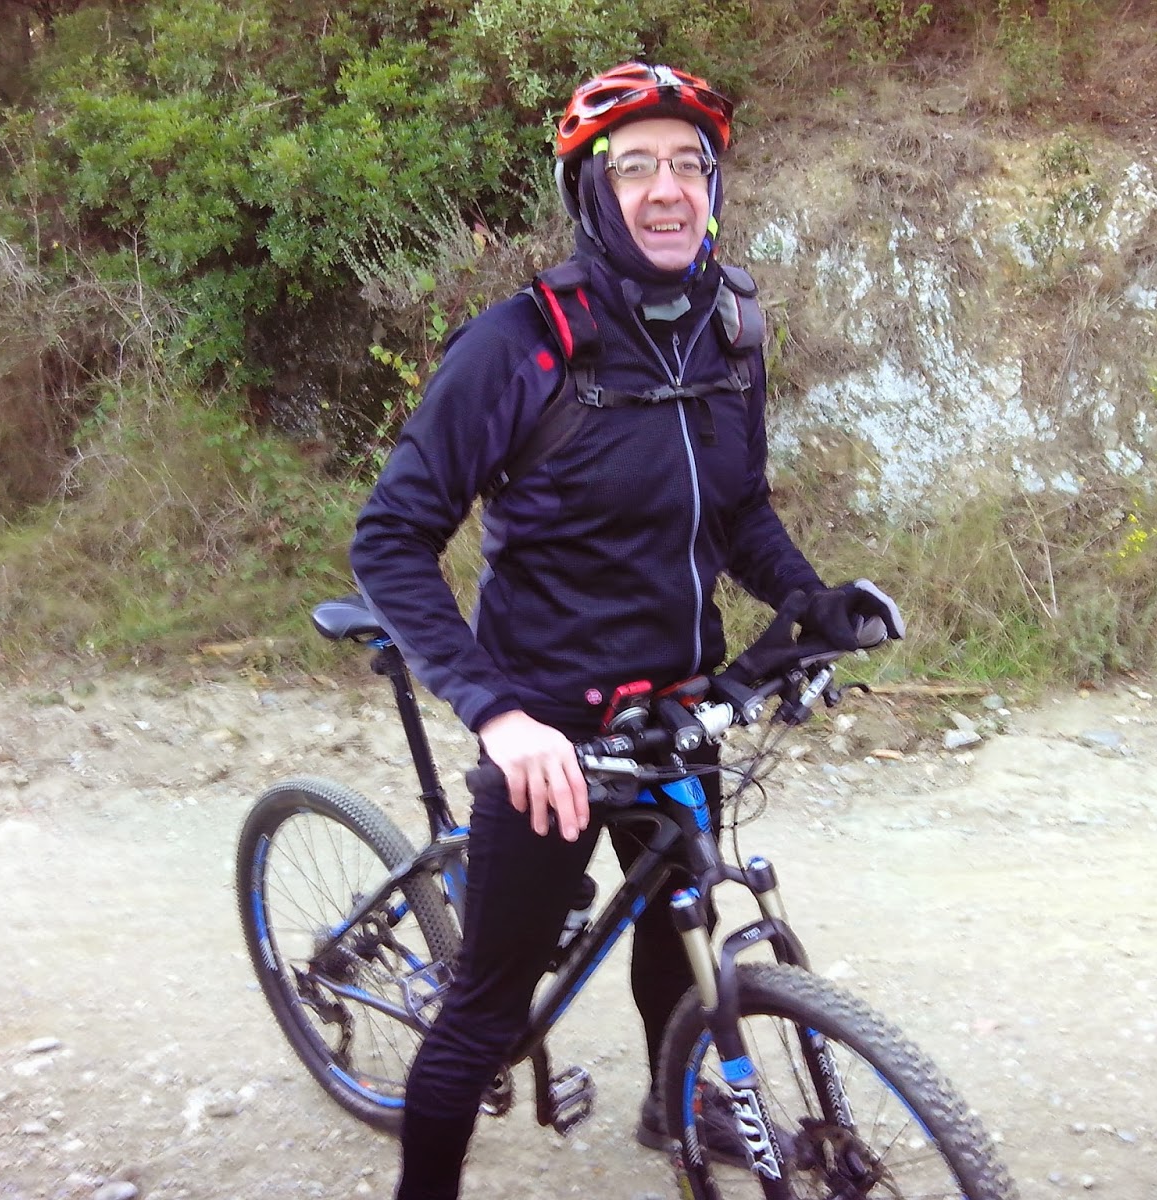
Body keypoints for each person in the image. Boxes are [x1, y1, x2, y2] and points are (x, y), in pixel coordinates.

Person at [350, 61, 904, 1200]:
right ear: (591, 191)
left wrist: (806, 603)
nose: (667, 188)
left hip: (675, 708)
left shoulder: (729, 330)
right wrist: (499, 718)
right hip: (548, 731)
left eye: (688, 165)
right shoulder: (518, 345)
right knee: (485, 1014)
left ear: (714, 188)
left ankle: (672, 1102)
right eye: (634, 164)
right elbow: (391, 539)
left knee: (675, 932)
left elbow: (736, 510)